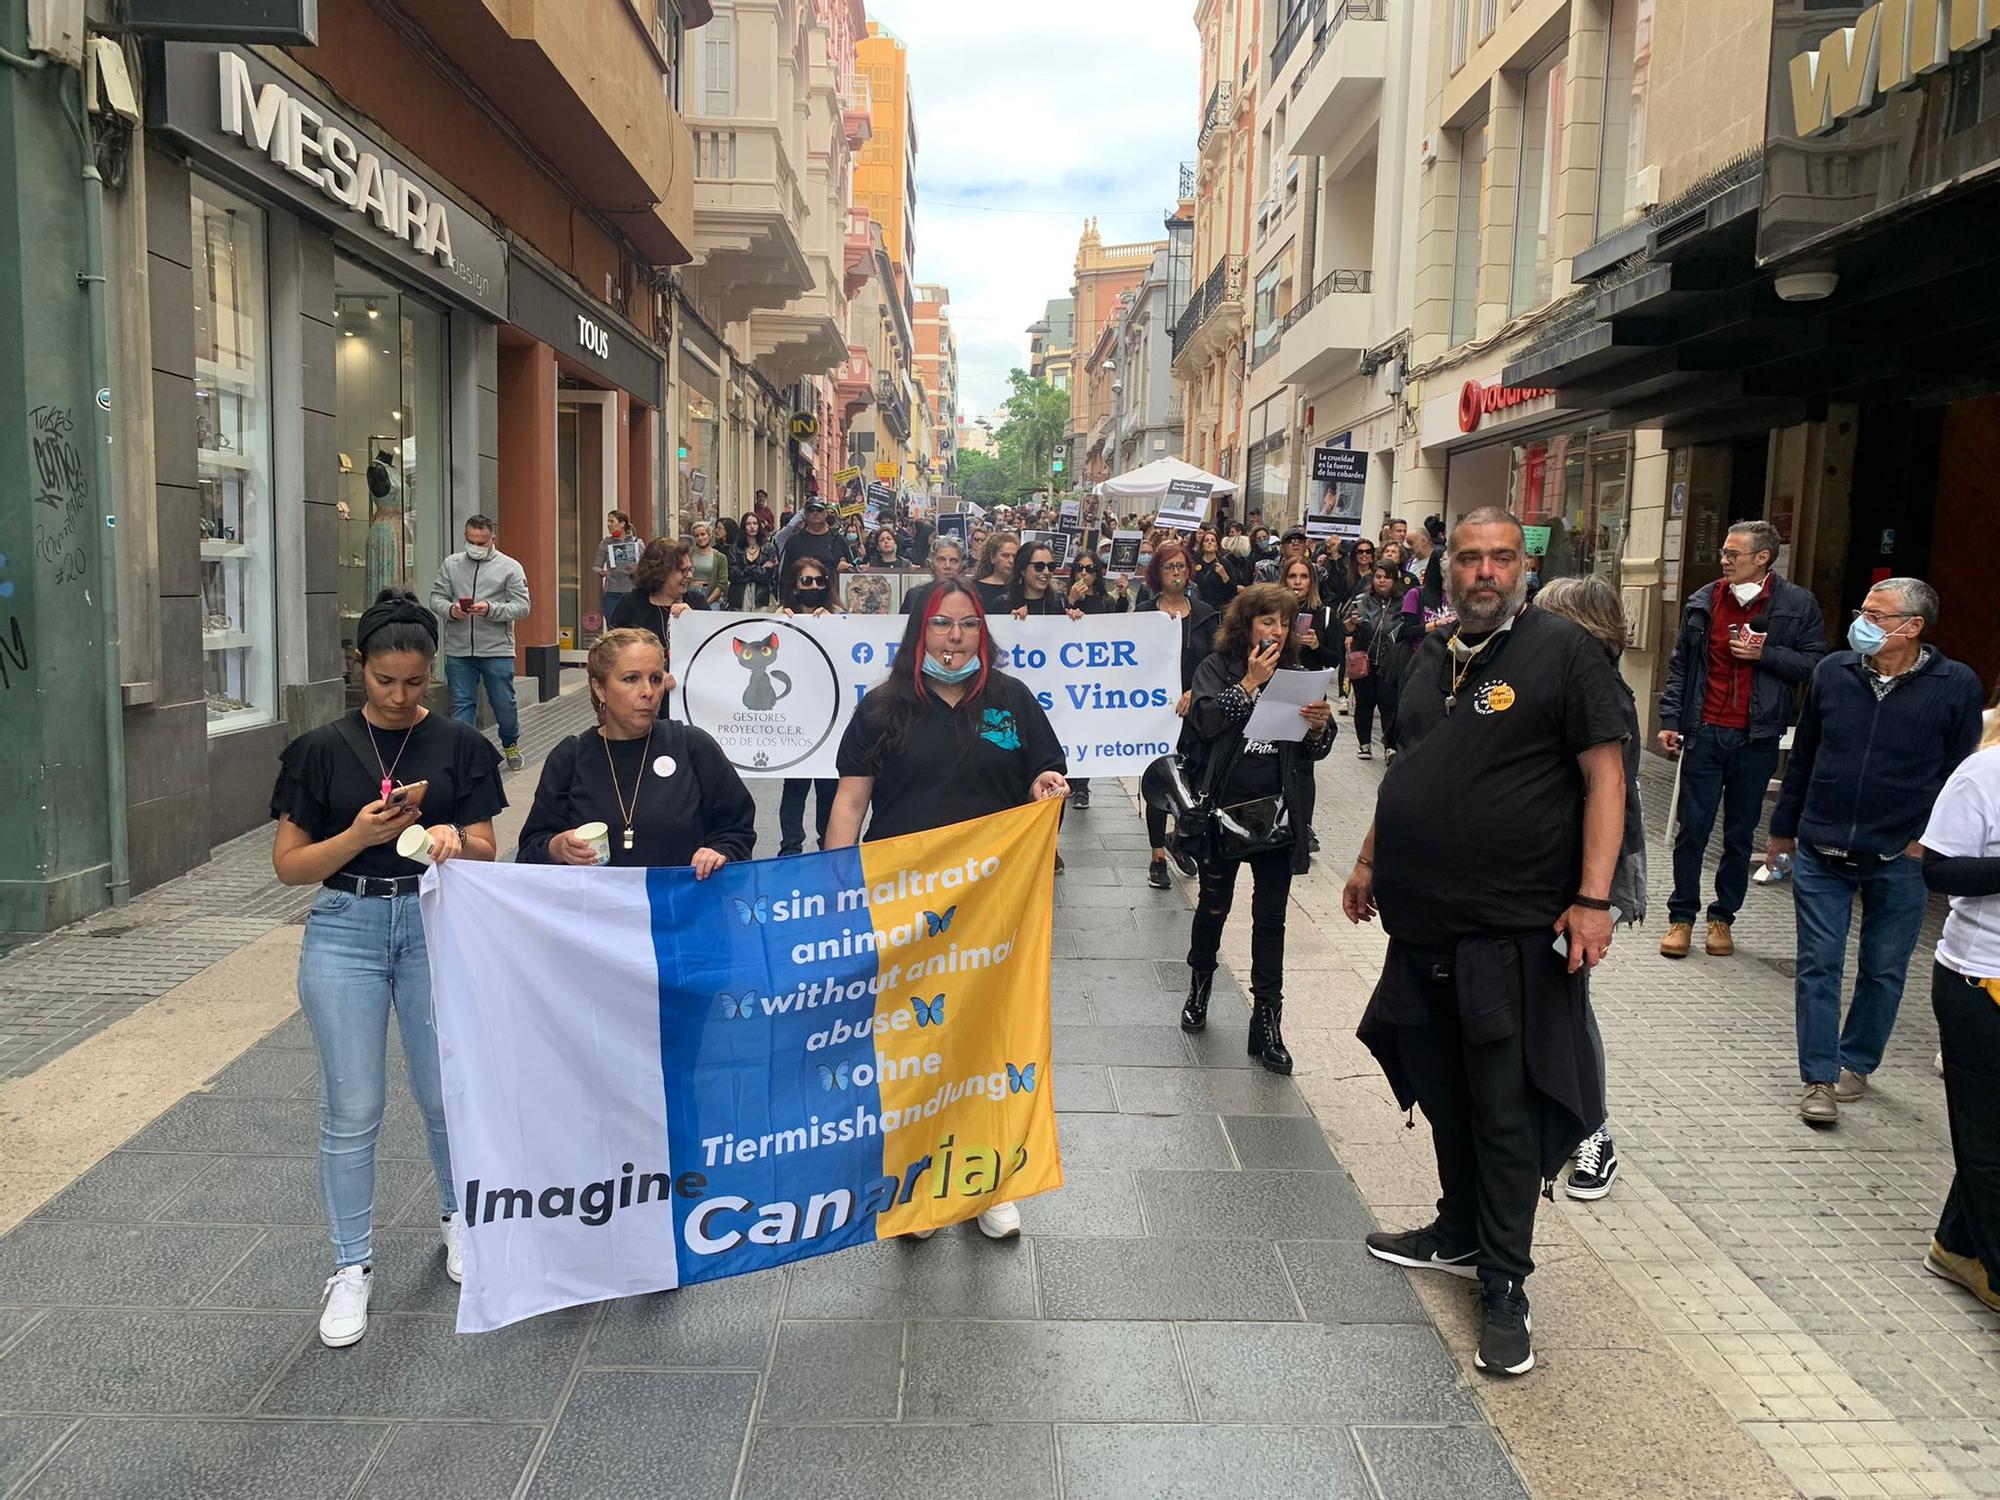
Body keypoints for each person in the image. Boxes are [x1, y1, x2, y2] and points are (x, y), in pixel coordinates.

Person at [1343, 507, 1627, 1379]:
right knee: (1440, 1085)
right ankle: (1458, 1231)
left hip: (1510, 934)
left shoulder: (1564, 654)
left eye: (1502, 558)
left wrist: (1593, 899)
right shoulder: (1429, 656)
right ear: (1446, 568)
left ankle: (1506, 1281)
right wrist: (1366, 859)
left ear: (1525, 569)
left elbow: (1605, 775)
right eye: (1469, 558)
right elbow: (1410, 766)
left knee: (1503, 1110)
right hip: (1421, 924)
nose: (1485, 573)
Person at [270, 592, 505, 1349]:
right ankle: (350, 1267)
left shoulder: (461, 745)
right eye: (384, 681)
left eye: (414, 682)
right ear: (359, 670)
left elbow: (486, 845)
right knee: (352, 1109)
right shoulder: (319, 750)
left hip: (434, 921)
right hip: (346, 926)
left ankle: (458, 1219)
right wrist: (357, 835)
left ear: (432, 673)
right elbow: (289, 867)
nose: (401, 697)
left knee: (444, 1092)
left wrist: (450, 840)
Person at [824, 578, 1069, 1241]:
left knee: (989, 1038)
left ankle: (988, 1179)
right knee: (918, 1044)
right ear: (918, 634)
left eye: (966, 625)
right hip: (906, 905)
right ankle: (924, 1180)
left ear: (982, 632)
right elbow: (849, 804)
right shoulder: (883, 708)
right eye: (940, 624)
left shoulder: (1011, 702)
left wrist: (1045, 786)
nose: (954, 637)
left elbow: (1043, 773)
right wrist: (835, 888)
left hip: (994, 905)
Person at [1768, 576, 1985, 1125]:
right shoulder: (1831, 672)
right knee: (1818, 962)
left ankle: (1855, 1063)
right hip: (1822, 846)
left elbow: (1960, 774)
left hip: (1901, 854)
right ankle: (1818, 1077)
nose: (1862, 622)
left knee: (1884, 968)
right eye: (1863, 609)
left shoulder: (1956, 684)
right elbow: (1805, 756)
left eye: (1878, 615)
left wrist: (1926, 842)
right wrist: (1783, 829)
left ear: (1913, 627)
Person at [1181, 583, 1335, 1073]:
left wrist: (1319, 727)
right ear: (1246, 624)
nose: (1276, 630)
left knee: (1272, 920)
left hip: (1278, 814)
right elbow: (1203, 723)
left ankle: (1267, 1021)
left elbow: (1314, 752)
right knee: (1213, 909)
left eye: (1284, 623)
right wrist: (1247, 684)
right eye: (1267, 620)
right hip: (1225, 811)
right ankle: (1200, 986)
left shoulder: (1297, 675)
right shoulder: (1217, 668)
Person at [1656, 519, 1826, 960]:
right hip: (1705, 731)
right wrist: (1671, 718)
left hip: (1757, 737)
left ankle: (1722, 918)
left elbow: (1815, 664)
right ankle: (1682, 917)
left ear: (1762, 558)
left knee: (1739, 832)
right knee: (1691, 829)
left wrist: (1764, 655)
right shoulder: (1704, 600)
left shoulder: (1796, 604)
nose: (1724, 560)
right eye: (1724, 553)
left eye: (1734, 554)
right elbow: (1681, 668)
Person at [1534, 575, 1648, 1202]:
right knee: (1558, 998)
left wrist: (1590, 897)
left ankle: (1592, 1132)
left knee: (1569, 1001)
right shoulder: (1563, 679)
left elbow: (1604, 796)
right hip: (1555, 870)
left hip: (1583, 877)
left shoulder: (1602, 693)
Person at [519, 628, 754, 871]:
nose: (648, 692)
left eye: (655, 678)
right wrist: (557, 847)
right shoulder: (570, 757)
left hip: (679, 905)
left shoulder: (692, 746)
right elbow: (529, 851)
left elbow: (737, 829)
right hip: (597, 906)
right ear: (600, 688)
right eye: (631, 679)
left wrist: (720, 852)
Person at [1917, 716, 2000, 1312]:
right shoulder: (1983, 774)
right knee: (1988, 1136)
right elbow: (1939, 869)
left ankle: (1955, 1244)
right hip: (1980, 980)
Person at [1137, 542, 1218, 888]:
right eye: (1169, 567)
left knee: (1193, 782)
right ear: (1157, 573)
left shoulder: (1205, 615)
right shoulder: (1144, 612)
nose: (1176, 573)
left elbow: (1216, 663)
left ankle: (1179, 839)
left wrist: (1195, 690)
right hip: (1157, 713)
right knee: (1160, 779)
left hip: (1195, 712)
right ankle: (1157, 854)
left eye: (1181, 567)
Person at [430, 515, 531, 771]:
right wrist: (451, 610)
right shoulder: (451, 564)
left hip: (497, 649)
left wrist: (490, 609)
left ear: (491, 540)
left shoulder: (510, 567)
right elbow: (436, 598)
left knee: (503, 702)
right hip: (459, 648)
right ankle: (464, 755)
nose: (475, 546)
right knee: (462, 704)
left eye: (481, 542)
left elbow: (522, 607)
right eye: (470, 541)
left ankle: (510, 745)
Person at [775, 557, 842, 855]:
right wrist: (776, 620)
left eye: (819, 581)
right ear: (794, 586)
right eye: (807, 581)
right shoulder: (778, 616)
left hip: (829, 718)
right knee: (795, 788)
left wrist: (836, 624)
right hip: (795, 718)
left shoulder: (838, 616)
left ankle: (827, 844)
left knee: (829, 790)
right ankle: (790, 847)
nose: (814, 586)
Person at [609, 538, 709, 713]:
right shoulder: (632, 604)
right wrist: (653, 674)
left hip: (690, 705)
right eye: (683, 571)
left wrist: (694, 620)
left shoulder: (697, 603)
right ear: (661, 573)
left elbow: (713, 651)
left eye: (690, 569)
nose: (690, 576)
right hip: (643, 705)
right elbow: (614, 654)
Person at [1346, 563, 1406, 760]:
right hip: (1365, 659)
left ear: (1394, 580)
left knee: (1389, 704)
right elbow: (1345, 628)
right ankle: (1364, 744)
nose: (1381, 581)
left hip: (1390, 661)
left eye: (1386, 577)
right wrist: (1352, 623)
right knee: (1364, 703)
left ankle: (1390, 746)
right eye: (1378, 576)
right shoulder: (1362, 601)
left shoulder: (1403, 602)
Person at [774, 495, 852, 577]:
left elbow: (852, 572)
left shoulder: (839, 540)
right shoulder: (793, 541)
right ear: (805, 514)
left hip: (831, 588)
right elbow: (785, 575)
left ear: (826, 513)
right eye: (811, 510)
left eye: (819, 510)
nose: (815, 513)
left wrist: (846, 567)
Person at [1007, 541, 1083, 620]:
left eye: (1051, 566)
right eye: (1039, 566)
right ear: (1022, 569)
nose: (1046, 572)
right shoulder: (1004, 603)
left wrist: (1075, 618)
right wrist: (1011, 621)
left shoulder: (1059, 603)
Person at [595, 510, 642, 624]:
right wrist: (602, 571)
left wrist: (637, 569)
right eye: (608, 521)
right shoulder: (605, 543)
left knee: (631, 627)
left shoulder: (637, 543)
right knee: (613, 626)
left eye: (612, 521)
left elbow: (646, 567)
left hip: (631, 591)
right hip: (612, 592)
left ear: (622, 524)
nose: (609, 524)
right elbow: (597, 566)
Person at [902, 537, 967, 613]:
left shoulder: (970, 596)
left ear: (961, 565)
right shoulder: (915, 596)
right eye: (941, 559)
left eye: (953, 561)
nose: (947, 566)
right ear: (932, 564)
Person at [730, 511, 781, 610]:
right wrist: (759, 569)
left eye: (755, 523)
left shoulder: (768, 547)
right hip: (739, 597)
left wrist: (745, 571)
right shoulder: (735, 548)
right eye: (748, 524)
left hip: (761, 597)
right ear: (743, 527)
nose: (752, 527)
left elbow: (769, 576)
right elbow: (733, 574)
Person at [972, 530, 1020, 613]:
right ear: (992, 558)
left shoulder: (1021, 588)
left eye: (1015, 556)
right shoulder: (975, 588)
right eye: (1005, 556)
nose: (1011, 561)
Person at [1191, 529, 1238, 612]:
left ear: (1217, 546)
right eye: (1206, 541)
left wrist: (1224, 575)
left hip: (1218, 607)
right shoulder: (1195, 562)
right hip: (1198, 607)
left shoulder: (1224, 563)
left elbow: (1233, 590)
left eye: (1213, 541)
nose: (1210, 543)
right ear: (1202, 545)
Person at [687, 520, 731, 603]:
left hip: (711, 597)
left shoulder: (720, 557)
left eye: (703, 534)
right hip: (691, 595)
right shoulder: (689, 555)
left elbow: (722, 583)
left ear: (709, 535)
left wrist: (707, 602)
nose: (700, 538)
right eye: (697, 536)